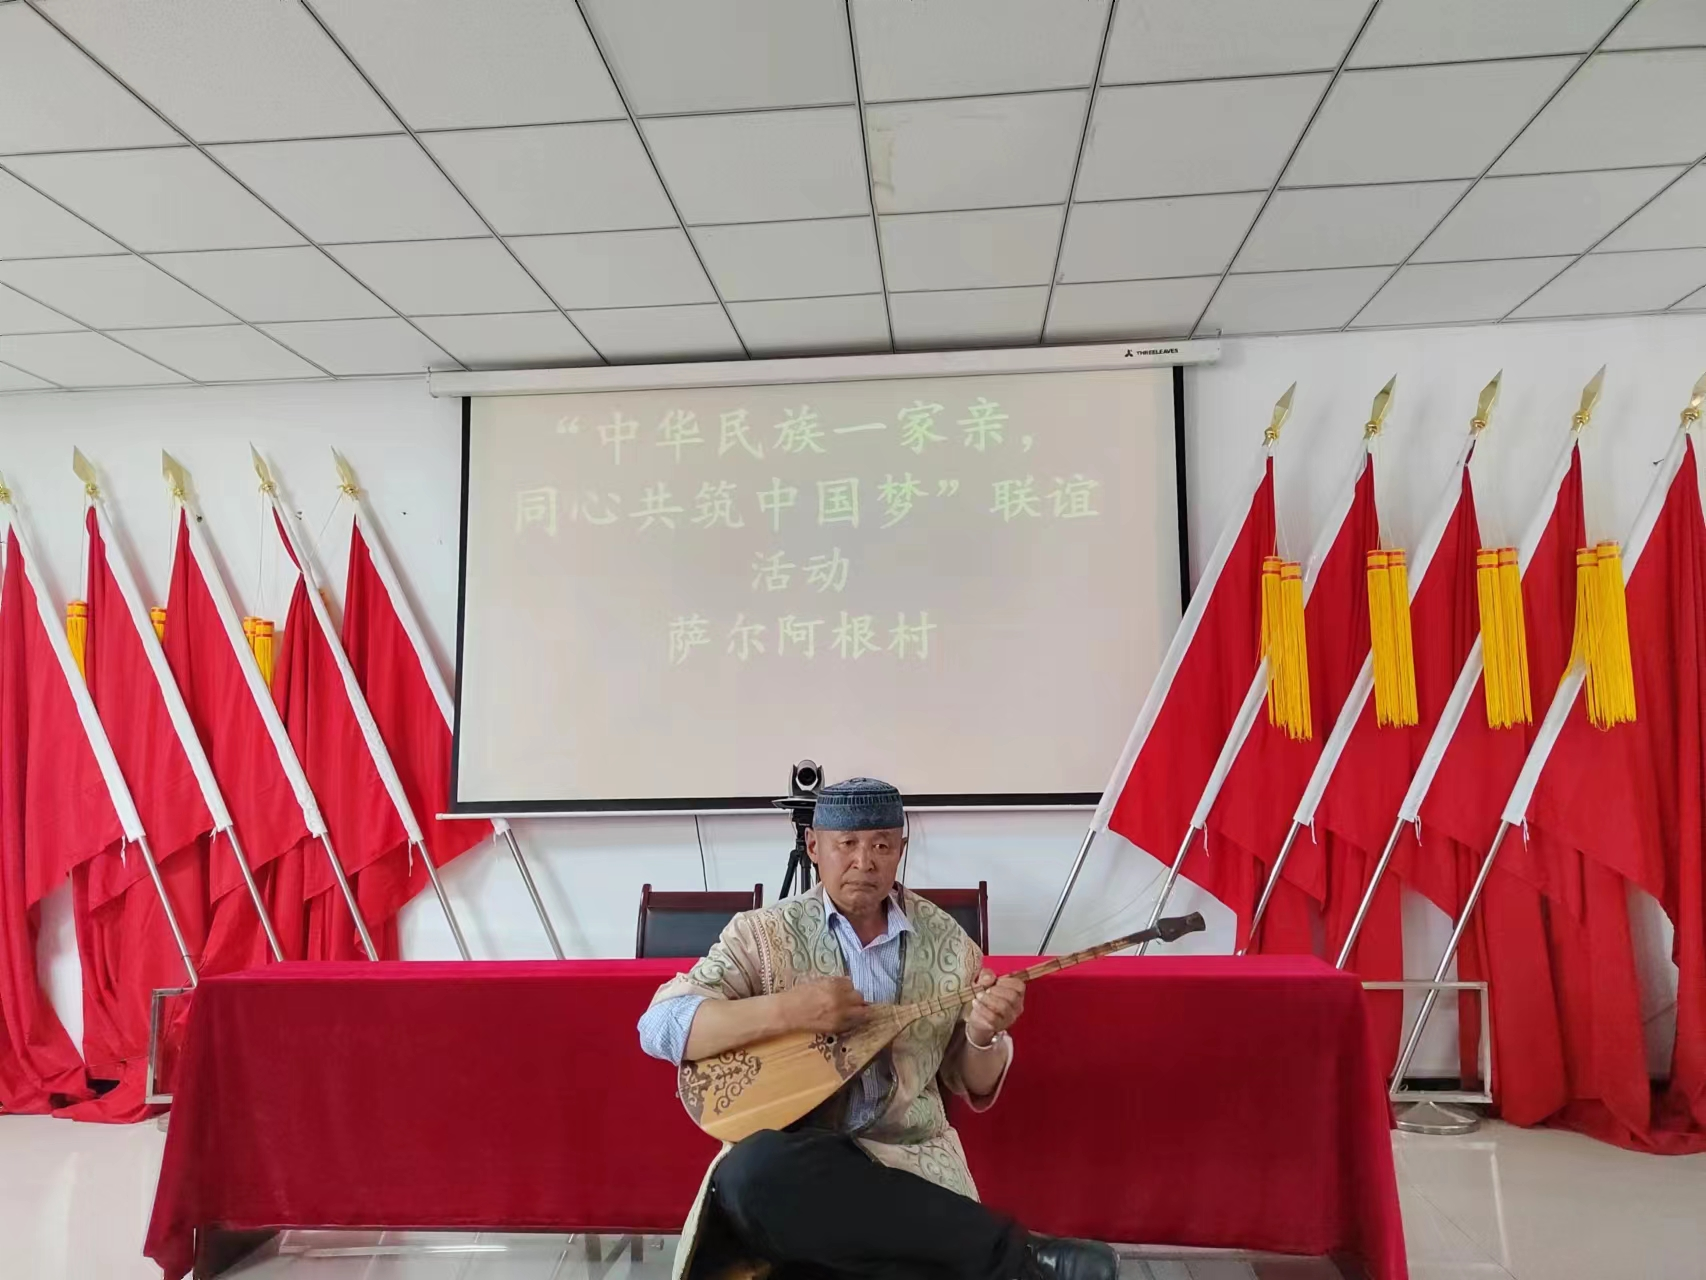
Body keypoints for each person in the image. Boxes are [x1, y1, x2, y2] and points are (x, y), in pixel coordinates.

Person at [638, 777, 1119, 1280]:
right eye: (847, 844)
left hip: (908, 1160)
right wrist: (788, 1010)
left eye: (882, 846)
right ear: (814, 847)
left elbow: (972, 1081)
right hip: (801, 1174)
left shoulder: (948, 943)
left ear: (901, 850)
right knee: (751, 1172)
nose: (864, 862)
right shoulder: (763, 935)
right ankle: (1023, 1262)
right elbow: (660, 1026)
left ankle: (998, 1258)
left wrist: (984, 1034)